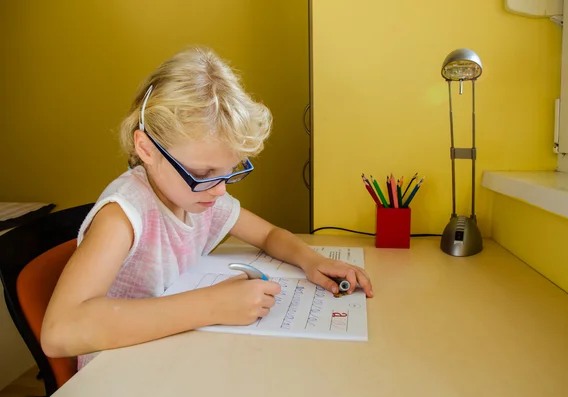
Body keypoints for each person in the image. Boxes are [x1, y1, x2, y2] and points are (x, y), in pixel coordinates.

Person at [41, 46, 374, 370]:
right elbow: (59, 333)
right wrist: (211, 305)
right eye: (202, 174)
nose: (219, 189)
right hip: (122, 373)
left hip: (173, 355)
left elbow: (269, 234)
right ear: (146, 148)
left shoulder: (198, 196)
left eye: (230, 173)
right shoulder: (124, 216)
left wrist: (312, 260)